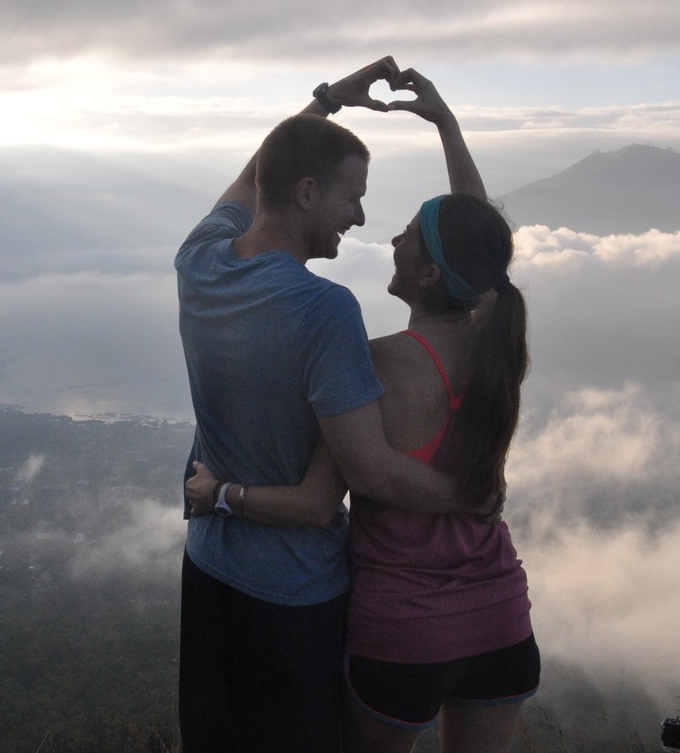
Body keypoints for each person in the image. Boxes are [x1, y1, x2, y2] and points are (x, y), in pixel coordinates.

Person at [186, 74, 537, 753]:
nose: (380, 230)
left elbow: (348, 485)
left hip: (405, 630)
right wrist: (447, 126)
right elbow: (478, 239)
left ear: (430, 275)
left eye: (406, 234)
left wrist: (219, 493)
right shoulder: (498, 343)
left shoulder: (370, 360)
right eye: (357, 200)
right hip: (501, 617)